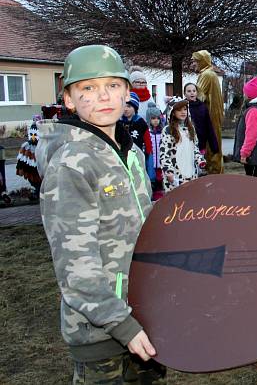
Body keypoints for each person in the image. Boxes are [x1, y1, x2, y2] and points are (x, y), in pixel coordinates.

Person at [35, 44, 164, 383]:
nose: (103, 96)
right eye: (88, 88)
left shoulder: (130, 151)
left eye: (113, 85)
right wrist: (122, 324)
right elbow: (75, 269)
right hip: (101, 331)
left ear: (127, 93)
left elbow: (145, 226)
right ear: (69, 99)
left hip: (145, 311)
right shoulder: (71, 164)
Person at [160, 98, 206, 192]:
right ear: (172, 112)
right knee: (176, 202)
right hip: (175, 174)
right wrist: (169, 171)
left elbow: (195, 148)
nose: (183, 112)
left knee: (191, 199)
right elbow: (164, 153)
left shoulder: (190, 129)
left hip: (190, 171)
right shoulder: (168, 130)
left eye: (185, 109)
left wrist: (200, 160)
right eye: (179, 110)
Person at [192, 50, 224, 174]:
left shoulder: (206, 75)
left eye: (195, 61)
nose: (193, 64)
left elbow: (197, 96)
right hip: (212, 115)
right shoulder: (210, 73)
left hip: (210, 116)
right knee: (214, 143)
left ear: (202, 61)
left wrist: (180, 103)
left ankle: (214, 173)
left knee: (212, 145)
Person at [233, 76, 257, 178]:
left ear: (249, 94)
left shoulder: (253, 111)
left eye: (245, 92)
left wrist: (245, 153)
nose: (244, 94)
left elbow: (252, 135)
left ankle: (254, 194)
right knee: (256, 180)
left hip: (252, 155)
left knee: (251, 181)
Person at [185, 82, 220, 164]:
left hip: (200, 143)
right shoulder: (182, 107)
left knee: (199, 167)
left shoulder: (202, 107)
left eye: (194, 90)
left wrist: (214, 146)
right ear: (185, 93)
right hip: (186, 143)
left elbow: (209, 126)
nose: (192, 93)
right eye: (189, 91)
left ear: (197, 92)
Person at [119, 93, 153, 168]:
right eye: (124, 106)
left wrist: (148, 157)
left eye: (129, 106)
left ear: (135, 108)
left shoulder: (141, 123)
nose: (125, 109)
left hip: (137, 157)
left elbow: (148, 143)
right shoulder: (118, 122)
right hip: (121, 158)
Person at [146, 104, 165, 200]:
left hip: (161, 164)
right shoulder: (147, 133)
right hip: (151, 165)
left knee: (161, 183)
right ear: (149, 119)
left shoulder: (163, 132)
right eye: (153, 118)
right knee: (152, 183)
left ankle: (161, 200)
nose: (156, 120)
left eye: (158, 118)